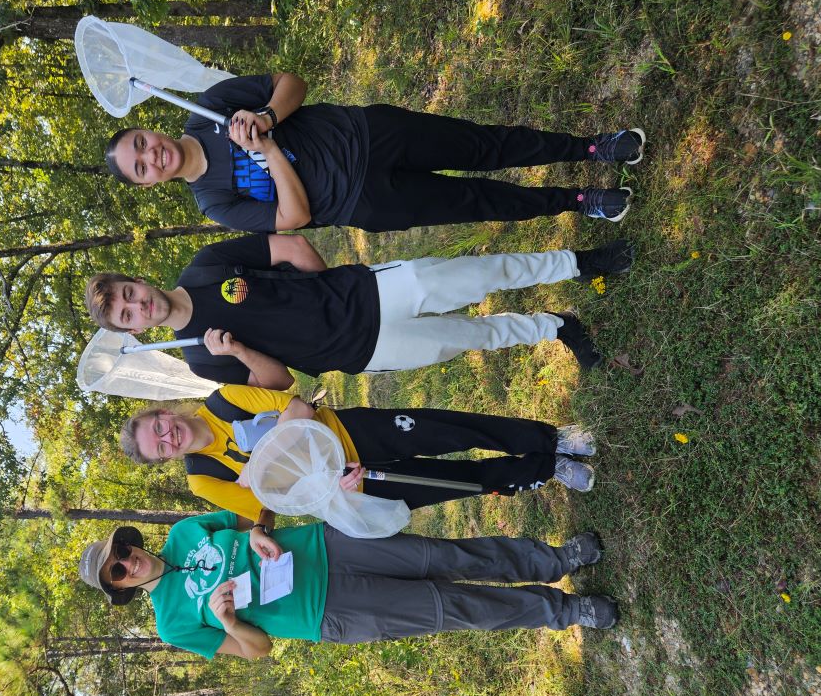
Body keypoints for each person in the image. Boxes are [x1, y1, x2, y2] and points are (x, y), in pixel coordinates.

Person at [103, 72, 644, 233]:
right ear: (150, 182)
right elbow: (294, 217)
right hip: (366, 202)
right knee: (480, 201)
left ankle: (593, 146)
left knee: (484, 145)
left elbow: (293, 82)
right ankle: (579, 200)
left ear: (148, 130)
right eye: (141, 168)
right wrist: (269, 152)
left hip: (367, 133)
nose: (152, 156)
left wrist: (266, 116)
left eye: (141, 145)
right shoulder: (214, 201)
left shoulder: (211, 109)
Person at [84, 233, 634, 387]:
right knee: (474, 336)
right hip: (362, 351)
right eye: (128, 316)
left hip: (368, 293)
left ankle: (579, 263)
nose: (139, 306)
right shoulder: (200, 362)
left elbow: (289, 248)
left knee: (479, 275)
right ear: (134, 331)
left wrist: (328, 293)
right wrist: (240, 350)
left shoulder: (205, 267)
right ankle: (557, 326)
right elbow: (278, 385)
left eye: (129, 295)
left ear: (136, 280)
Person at [78, 513, 619, 660]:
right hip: (328, 610)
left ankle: (555, 558)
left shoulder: (182, 532)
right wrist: (227, 621)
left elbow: (248, 519)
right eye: (118, 573)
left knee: (446, 554)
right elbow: (258, 652)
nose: (129, 563)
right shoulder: (173, 624)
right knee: (451, 608)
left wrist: (261, 532)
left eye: (122, 552)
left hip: (326, 547)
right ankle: (566, 611)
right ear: (122, 590)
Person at [119, 385, 600, 535]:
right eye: (159, 447)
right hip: (353, 487)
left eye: (158, 427)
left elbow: (299, 407)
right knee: (461, 482)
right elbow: (273, 506)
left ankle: (552, 437)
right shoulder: (203, 479)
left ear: (164, 412)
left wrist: (273, 455)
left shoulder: (223, 400)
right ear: (164, 459)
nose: (168, 438)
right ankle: (545, 469)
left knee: (454, 430)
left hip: (353, 432)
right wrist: (324, 487)